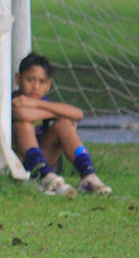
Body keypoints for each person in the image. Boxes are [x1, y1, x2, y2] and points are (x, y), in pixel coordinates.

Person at [11, 52, 113, 197]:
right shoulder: (13, 100)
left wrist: (36, 103)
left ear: (48, 85)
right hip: (19, 163)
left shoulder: (42, 103)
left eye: (41, 81)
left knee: (65, 124)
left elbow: (78, 114)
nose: (35, 86)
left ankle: (88, 174)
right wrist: (56, 111)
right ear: (18, 79)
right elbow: (22, 115)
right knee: (24, 126)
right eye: (30, 80)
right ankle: (44, 176)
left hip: (45, 158)